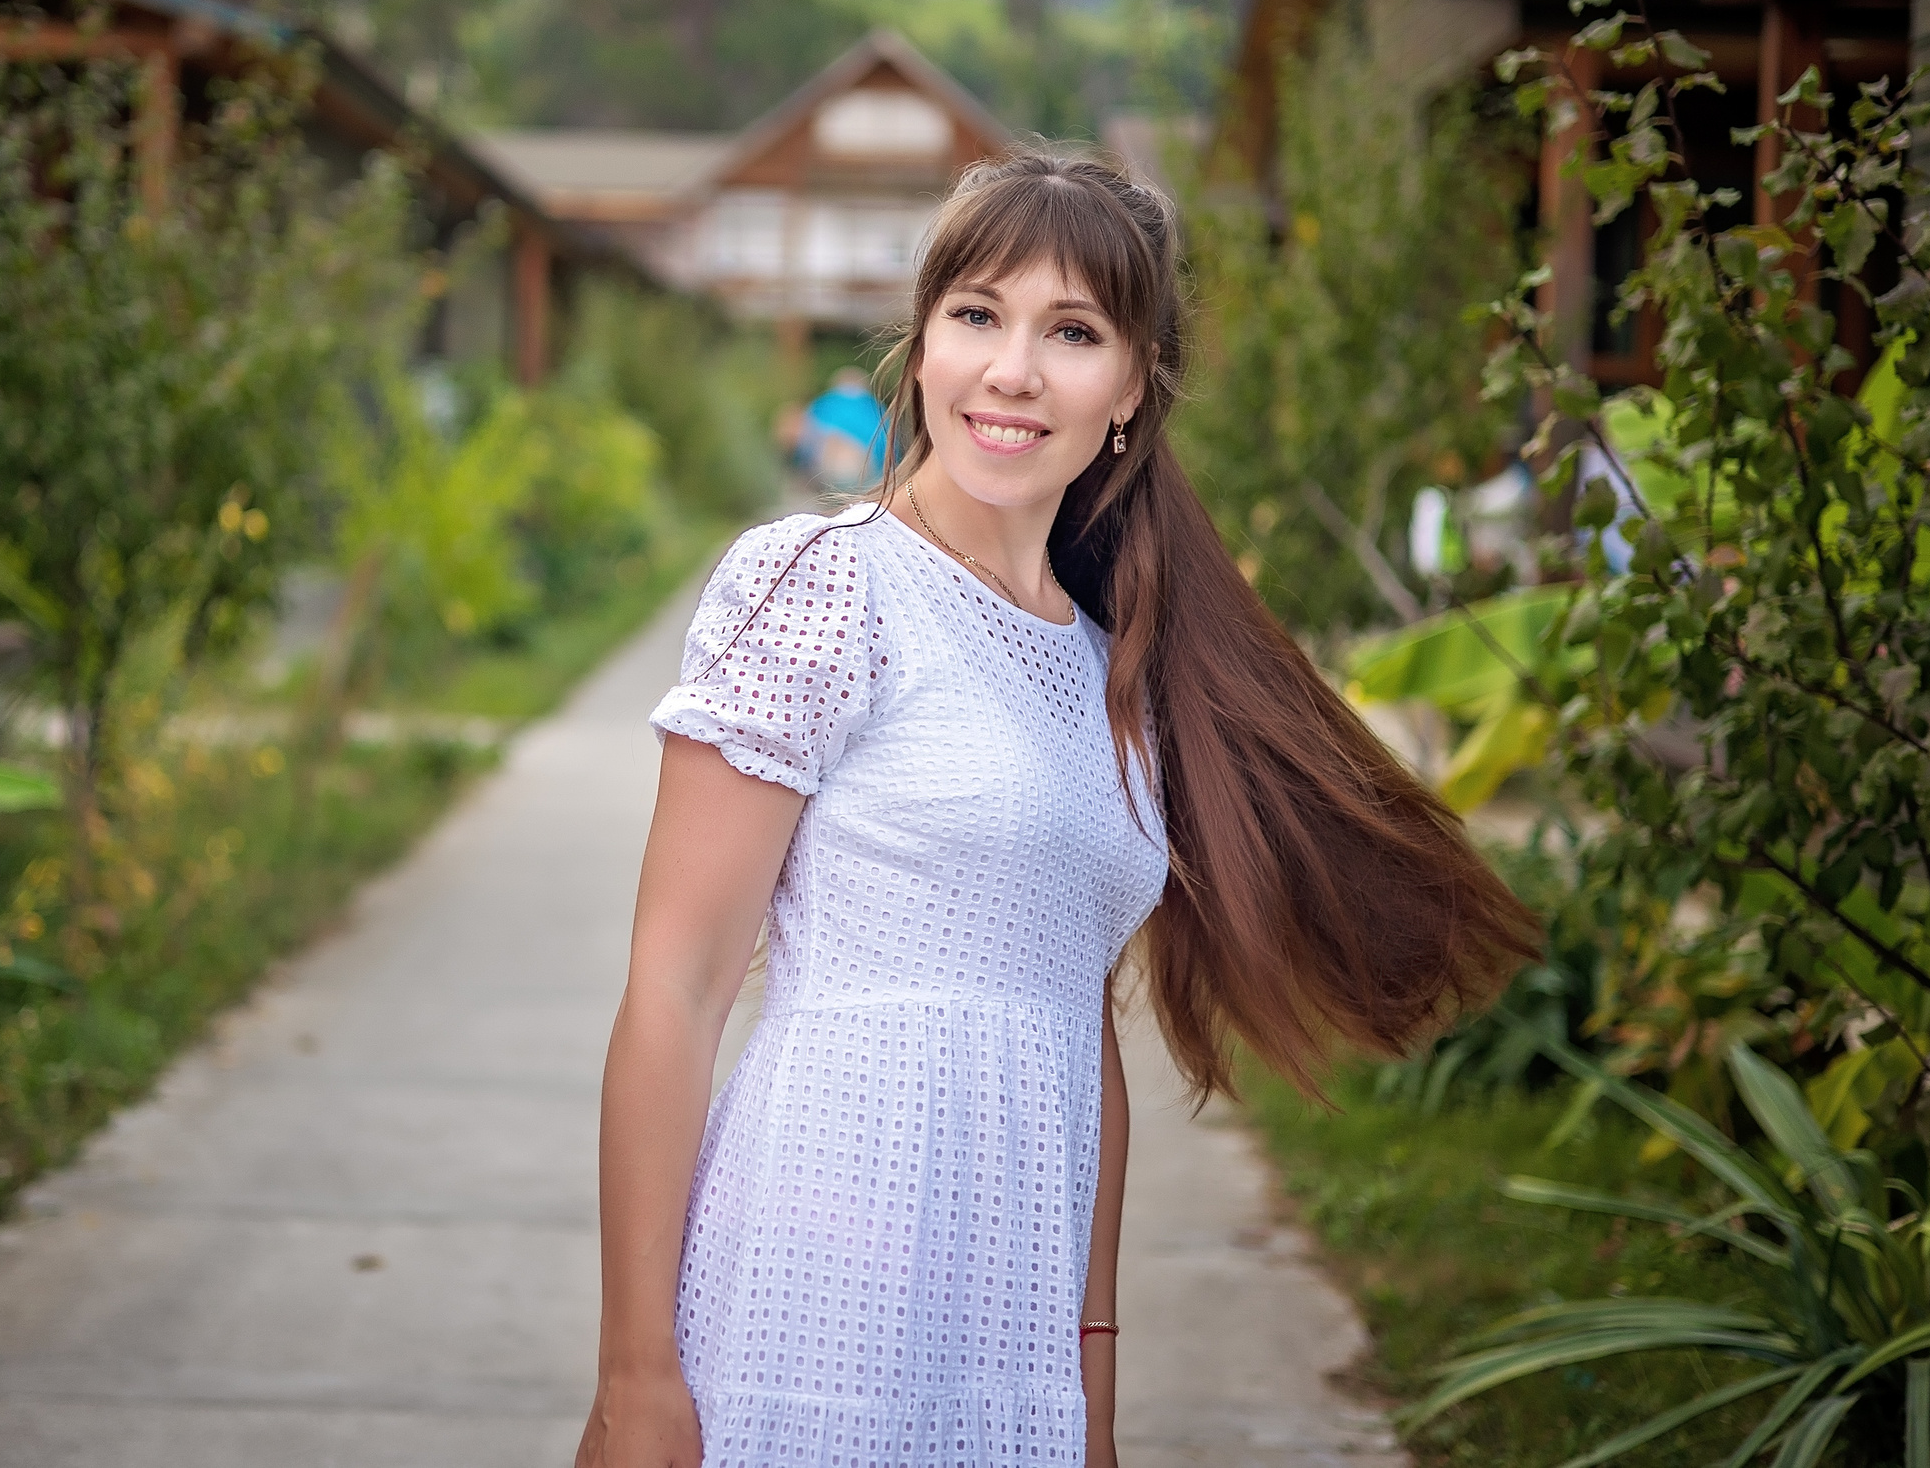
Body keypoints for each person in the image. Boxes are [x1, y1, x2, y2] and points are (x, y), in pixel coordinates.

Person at [576, 150, 1534, 1468]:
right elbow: (673, 988)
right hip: (813, 1279)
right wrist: (637, 1373)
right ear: (921, 349)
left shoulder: (1115, 667)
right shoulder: (821, 586)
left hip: (1008, 1330)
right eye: (977, 314)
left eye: (1071, 330)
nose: (1012, 369)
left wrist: (1090, 1380)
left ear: (1133, 385)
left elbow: (1073, 1030)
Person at [796, 367, 887, 491]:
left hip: (827, 467)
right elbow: (891, 446)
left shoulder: (823, 403)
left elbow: (804, 438)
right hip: (869, 470)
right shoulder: (878, 408)